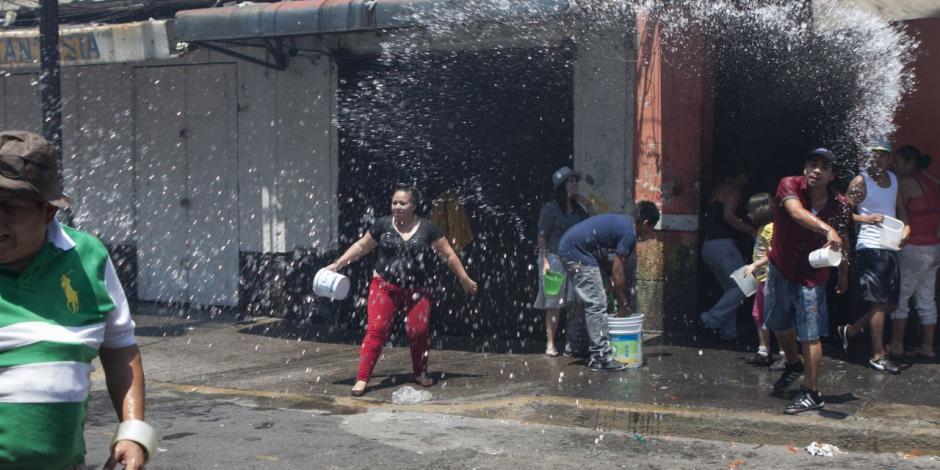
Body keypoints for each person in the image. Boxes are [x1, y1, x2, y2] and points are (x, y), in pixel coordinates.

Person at [0, 131, 153, 469]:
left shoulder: (88, 257)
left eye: (7, 207)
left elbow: (120, 348)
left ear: (47, 212)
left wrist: (133, 431)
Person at [325, 184, 478, 397]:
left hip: (416, 290)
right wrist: (338, 264)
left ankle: (419, 372)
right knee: (376, 331)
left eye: (402, 203)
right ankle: (362, 378)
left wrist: (464, 278)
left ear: (413, 206)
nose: (396, 206)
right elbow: (361, 246)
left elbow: (449, 255)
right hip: (384, 287)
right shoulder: (382, 225)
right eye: (394, 202)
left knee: (419, 332)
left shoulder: (428, 229)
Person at [764, 148, 851, 414]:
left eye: (824, 167)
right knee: (777, 324)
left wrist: (844, 273)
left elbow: (844, 239)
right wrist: (827, 228)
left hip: (813, 275)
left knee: (810, 334)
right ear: (804, 169)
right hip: (781, 267)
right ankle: (793, 363)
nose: (816, 170)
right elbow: (795, 212)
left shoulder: (840, 204)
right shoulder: (788, 184)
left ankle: (811, 392)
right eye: (812, 164)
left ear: (832, 175)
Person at [556, 201, 660, 371]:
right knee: (597, 303)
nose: (650, 233)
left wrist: (609, 274)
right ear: (647, 223)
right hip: (576, 252)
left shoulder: (623, 225)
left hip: (571, 248)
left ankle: (576, 346)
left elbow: (606, 258)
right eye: (652, 228)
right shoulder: (630, 233)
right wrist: (623, 304)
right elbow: (619, 271)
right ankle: (600, 357)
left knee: (591, 301)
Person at [837, 140, 908, 374]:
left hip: (890, 244)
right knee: (879, 302)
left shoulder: (894, 180)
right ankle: (878, 355)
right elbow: (842, 214)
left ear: (889, 159)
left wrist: (906, 231)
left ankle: (852, 330)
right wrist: (865, 219)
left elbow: (900, 211)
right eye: (873, 155)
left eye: (882, 155)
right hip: (869, 246)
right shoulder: (861, 180)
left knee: (891, 303)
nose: (877, 159)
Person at [534, 166, 592, 356]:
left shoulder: (577, 210)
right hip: (554, 259)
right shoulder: (550, 208)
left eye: (576, 181)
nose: (575, 184)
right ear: (562, 186)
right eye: (571, 181)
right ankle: (550, 343)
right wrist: (544, 261)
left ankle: (573, 343)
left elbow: (594, 223)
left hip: (574, 260)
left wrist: (588, 204)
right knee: (554, 304)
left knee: (576, 301)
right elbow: (542, 236)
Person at [888, 145, 938, 361]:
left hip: (915, 248)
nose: (893, 166)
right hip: (934, 248)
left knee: (901, 298)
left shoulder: (906, 183)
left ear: (910, 164)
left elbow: (896, 212)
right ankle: (927, 347)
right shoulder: (932, 182)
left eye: (897, 162)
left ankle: (897, 345)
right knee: (927, 299)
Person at [698, 166, 758, 341]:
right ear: (741, 175)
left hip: (708, 247)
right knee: (746, 285)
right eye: (747, 178)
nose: (747, 183)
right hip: (723, 245)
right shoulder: (734, 190)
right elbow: (729, 216)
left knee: (730, 290)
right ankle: (710, 319)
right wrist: (751, 231)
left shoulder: (717, 188)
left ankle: (728, 333)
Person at [742, 192, 783, 368]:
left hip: (770, 278)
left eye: (751, 210)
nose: (748, 214)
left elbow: (775, 253)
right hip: (763, 278)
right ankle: (763, 351)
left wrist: (754, 265)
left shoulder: (770, 228)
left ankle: (784, 354)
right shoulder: (763, 228)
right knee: (759, 315)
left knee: (773, 316)